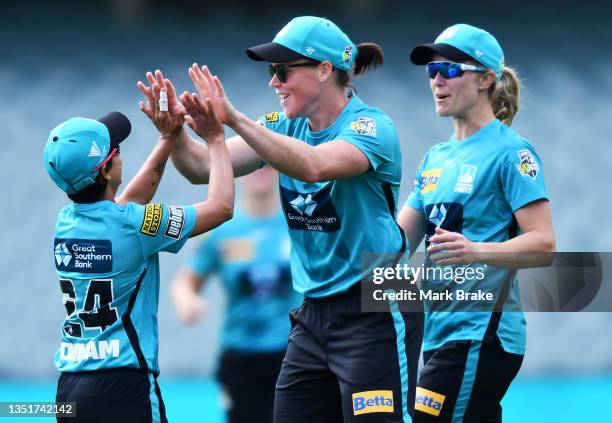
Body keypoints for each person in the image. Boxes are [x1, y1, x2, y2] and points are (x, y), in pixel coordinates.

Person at [165, 15, 423, 423]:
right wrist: (175, 134)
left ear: (324, 70)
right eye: (272, 71)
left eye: (283, 70)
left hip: (375, 302)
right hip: (314, 312)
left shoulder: (372, 126)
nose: (274, 82)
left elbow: (315, 166)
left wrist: (233, 119)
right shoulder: (283, 126)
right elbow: (201, 167)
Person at [45, 71, 234, 423]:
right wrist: (216, 139)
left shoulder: (66, 222)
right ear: (106, 171)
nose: (120, 153)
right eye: (115, 151)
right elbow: (221, 206)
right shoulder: (133, 225)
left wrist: (168, 137)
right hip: (122, 387)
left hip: (69, 389)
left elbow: (124, 206)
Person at [396, 24, 556, 422]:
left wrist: (476, 251)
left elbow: (544, 244)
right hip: (437, 330)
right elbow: (397, 242)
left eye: (449, 69)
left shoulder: (512, 151)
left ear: (486, 79)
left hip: (481, 330)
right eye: (431, 70)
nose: (436, 80)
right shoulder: (434, 157)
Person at [171, 165, 302, 423]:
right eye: (252, 165)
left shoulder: (301, 223)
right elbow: (185, 281)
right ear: (238, 171)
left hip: (294, 353)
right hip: (241, 356)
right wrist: (188, 301)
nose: (259, 172)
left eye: (266, 165)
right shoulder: (221, 230)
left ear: (279, 169)